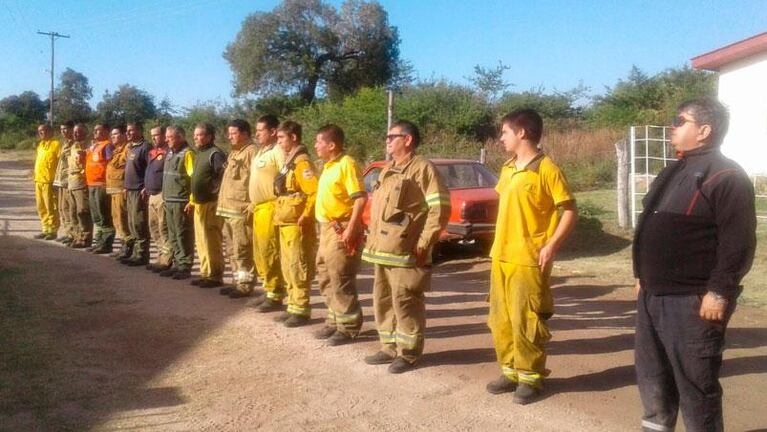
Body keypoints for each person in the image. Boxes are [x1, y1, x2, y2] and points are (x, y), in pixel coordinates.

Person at [633, 98, 756, 432]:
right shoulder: (676, 169)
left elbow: (738, 242)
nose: (672, 126)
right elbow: (653, 226)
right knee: (653, 378)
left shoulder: (726, 175)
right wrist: (643, 275)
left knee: (695, 387)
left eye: (679, 120)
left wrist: (719, 291)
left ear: (704, 130)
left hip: (691, 302)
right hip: (653, 295)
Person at [485, 109, 577, 404]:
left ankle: (530, 377)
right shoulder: (507, 168)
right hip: (501, 255)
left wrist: (551, 245)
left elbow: (569, 210)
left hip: (528, 258)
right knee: (500, 319)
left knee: (527, 320)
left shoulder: (547, 168)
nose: (501, 138)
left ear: (522, 133)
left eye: (505, 132)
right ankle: (510, 371)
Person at [362, 120, 450, 374]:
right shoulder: (388, 169)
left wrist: (424, 244)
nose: (387, 140)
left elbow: (439, 209)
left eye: (392, 136)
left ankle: (409, 353)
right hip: (382, 250)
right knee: (383, 300)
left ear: (408, 140)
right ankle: (388, 347)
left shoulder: (422, 169)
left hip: (407, 253)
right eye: (387, 136)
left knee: (405, 302)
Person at [313, 124, 367, 344]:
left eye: (319, 142)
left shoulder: (347, 164)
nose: (316, 145)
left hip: (340, 228)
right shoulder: (328, 166)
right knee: (325, 275)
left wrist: (352, 228)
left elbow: (360, 198)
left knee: (340, 277)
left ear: (332, 145)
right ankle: (334, 320)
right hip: (325, 229)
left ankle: (348, 327)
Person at [272, 121, 318, 326]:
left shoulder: (302, 163)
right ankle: (292, 305)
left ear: (294, 138)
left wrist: (306, 216)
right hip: (285, 219)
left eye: (282, 138)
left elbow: (313, 192)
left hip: (296, 222)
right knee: (287, 265)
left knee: (298, 264)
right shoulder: (289, 161)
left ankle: (301, 309)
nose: (279, 141)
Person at [248, 115, 286, 311]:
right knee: (260, 252)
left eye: (260, 130)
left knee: (270, 251)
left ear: (272, 132)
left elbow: (285, 175)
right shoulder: (260, 152)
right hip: (258, 208)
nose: (257, 134)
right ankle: (268, 290)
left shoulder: (277, 151)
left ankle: (275, 293)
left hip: (271, 207)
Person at [217, 119, 257, 294]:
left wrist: (252, 203)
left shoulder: (252, 152)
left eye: (234, 133)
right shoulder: (234, 153)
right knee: (231, 249)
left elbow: (256, 181)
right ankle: (236, 281)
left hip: (241, 210)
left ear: (245, 133)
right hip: (227, 209)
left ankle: (245, 285)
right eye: (229, 133)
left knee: (242, 250)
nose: (230, 136)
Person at [189, 123, 227, 287]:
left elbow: (224, 177)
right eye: (195, 135)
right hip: (198, 204)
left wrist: (215, 193)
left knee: (212, 241)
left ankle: (215, 276)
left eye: (201, 135)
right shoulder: (200, 153)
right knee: (201, 241)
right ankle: (206, 273)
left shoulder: (215, 154)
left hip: (211, 204)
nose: (197, 138)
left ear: (210, 136)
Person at [160, 125, 195, 280]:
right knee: (173, 234)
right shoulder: (169, 153)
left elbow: (194, 179)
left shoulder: (187, 154)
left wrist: (192, 200)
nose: (166, 139)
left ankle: (185, 266)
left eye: (170, 137)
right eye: (166, 137)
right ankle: (176, 263)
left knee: (182, 234)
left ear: (180, 137)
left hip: (181, 201)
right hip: (169, 200)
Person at [144, 126, 173, 272]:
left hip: (162, 194)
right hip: (151, 194)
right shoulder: (152, 152)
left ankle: (167, 259)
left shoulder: (168, 152)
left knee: (164, 227)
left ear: (163, 136)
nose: (153, 138)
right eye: (152, 135)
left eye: (156, 135)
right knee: (153, 226)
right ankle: (160, 256)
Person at [123, 122, 151, 266]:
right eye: (127, 131)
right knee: (131, 223)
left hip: (139, 190)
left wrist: (146, 187)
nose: (128, 133)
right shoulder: (131, 147)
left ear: (140, 131)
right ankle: (134, 252)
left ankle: (141, 255)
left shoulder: (145, 147)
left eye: (131, 130)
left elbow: (149, 169)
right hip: (130, 189)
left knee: (139, 223)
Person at [86, 123, 115, 253]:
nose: (95, 132)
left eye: (99, 130)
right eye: (94, 130)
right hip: (91, 184)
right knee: (96, 216)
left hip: (101, 185)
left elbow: (111, 163)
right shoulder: (94, 146)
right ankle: (98, 242)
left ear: (106, 132)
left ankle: (106, 244)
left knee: (104, 215)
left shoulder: (107, 145)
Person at [32, 124, 61, 240]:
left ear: (51, 132)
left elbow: (60, 163)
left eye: (44, 131)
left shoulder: (56, 145)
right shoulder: (40, 145)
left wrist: (57, 181)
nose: (42, 133)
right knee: (41, 207)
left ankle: (53, 230)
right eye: (40, 131)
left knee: (51, 207)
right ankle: (45, 229)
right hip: (38, 180)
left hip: (50, 181)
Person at [66, 123, 92, 249]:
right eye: (75, 131)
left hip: (82, 183)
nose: (75, 134)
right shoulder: (73, 146)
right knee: (73, 212)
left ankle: (85, 238)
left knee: (83, 212)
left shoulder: (89, 146)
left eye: (79, 132)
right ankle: (76, 236)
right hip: (71, 183)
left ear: (85, 133)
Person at [106, 126, 130, 259]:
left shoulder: (127, 149)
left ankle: (127, 247)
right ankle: (122, 245)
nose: (113, 137)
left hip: (121, 189)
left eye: (116, 134)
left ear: (124, 135)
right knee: (116, 218)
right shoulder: (116, 150)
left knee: (122, 219)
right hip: (113, 189)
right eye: (112, 135)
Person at [53, 121, 75, 244]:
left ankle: (73, 234)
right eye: (62, 129)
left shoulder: (75, 144)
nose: (63, 131)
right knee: (62, 209)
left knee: (70, 209)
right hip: (61, 180)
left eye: (66, 129)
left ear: (72, 129)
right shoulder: (65, 143)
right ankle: (68, 232)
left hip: (69, 181)